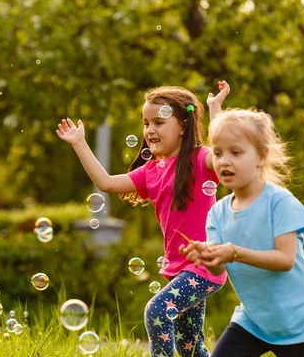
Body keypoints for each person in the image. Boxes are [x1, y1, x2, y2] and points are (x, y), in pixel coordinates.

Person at [56, 82, 231, 357]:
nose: (150, 130)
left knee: (157, 310)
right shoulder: (150, 171)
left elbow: (222, 152)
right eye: (146, 123)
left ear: (183, 126)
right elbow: (106, 183)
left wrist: (215, 108)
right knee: (191, 349)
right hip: (179, 268)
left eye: (159, 122)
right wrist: (79, 143)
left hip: (205, 264)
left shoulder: (201, 160)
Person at [180, 107, 304, 357]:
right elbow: (219, 266)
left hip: (298, 324)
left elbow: (285, 260)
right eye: (217, 153)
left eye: (236, 152)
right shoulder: (217, 213)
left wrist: (233, 252)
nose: (224, 161)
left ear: (262, 156)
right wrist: (206, 256)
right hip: (252, 323)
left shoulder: (279, 202)